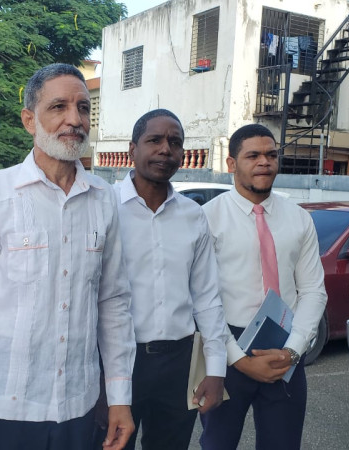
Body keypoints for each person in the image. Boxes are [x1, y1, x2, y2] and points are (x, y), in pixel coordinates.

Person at [0, 63, 136, 450]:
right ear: (29, 120)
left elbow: (114, 304)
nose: (75, 119)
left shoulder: (104, 198)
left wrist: (119, 398)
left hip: (79, 407)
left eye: (83, 108)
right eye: (59, 107)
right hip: (8, 409)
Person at [199, 124, 327, 449]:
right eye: (252, 155)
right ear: (231, 164)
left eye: (271, 154)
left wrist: (293, 350)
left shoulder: (299, 219)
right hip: (226, 350)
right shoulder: (207, 219)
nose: (264, 162)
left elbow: (313, 290)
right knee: (217, 444)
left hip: (285, 350)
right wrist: (239, 360)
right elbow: (201, 298)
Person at [112, 109, 227, 449]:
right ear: (132, 149)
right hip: (119, 361)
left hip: (179, 364)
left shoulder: (193, 215)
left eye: (175, 143)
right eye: (155, 140)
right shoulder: (105, 208)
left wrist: (216, 368)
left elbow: (207, 295)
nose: (166, 149)